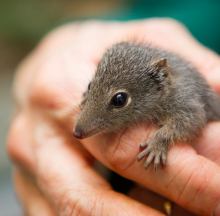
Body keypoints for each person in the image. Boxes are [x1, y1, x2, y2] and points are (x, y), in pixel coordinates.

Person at [7, 19, 220, 215]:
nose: (81, 128)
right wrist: (55, 46)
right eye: (92, 87)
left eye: (119, 101)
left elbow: (192, 118)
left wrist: (162, 139)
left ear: (161, 81)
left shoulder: (174, 92)